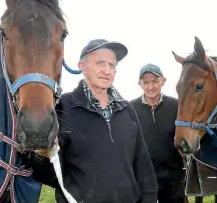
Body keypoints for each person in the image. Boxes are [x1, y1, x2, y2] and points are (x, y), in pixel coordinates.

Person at [23, 39, 158, 203]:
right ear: (82, 67)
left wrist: (150, 198)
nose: (107, 71)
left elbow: (143, 165)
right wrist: (39, 157)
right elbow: (49, 172)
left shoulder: (127, 110)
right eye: (100, 63)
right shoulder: (63, 108)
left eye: (112, 65)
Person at [130, 64, 186, 203]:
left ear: (163, 81)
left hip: (172, 179)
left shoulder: (177, 106)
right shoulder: (130, 109)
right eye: (146, 82)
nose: (150, 86)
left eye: (155, 81)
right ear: (140, 84)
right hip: (142, 178)